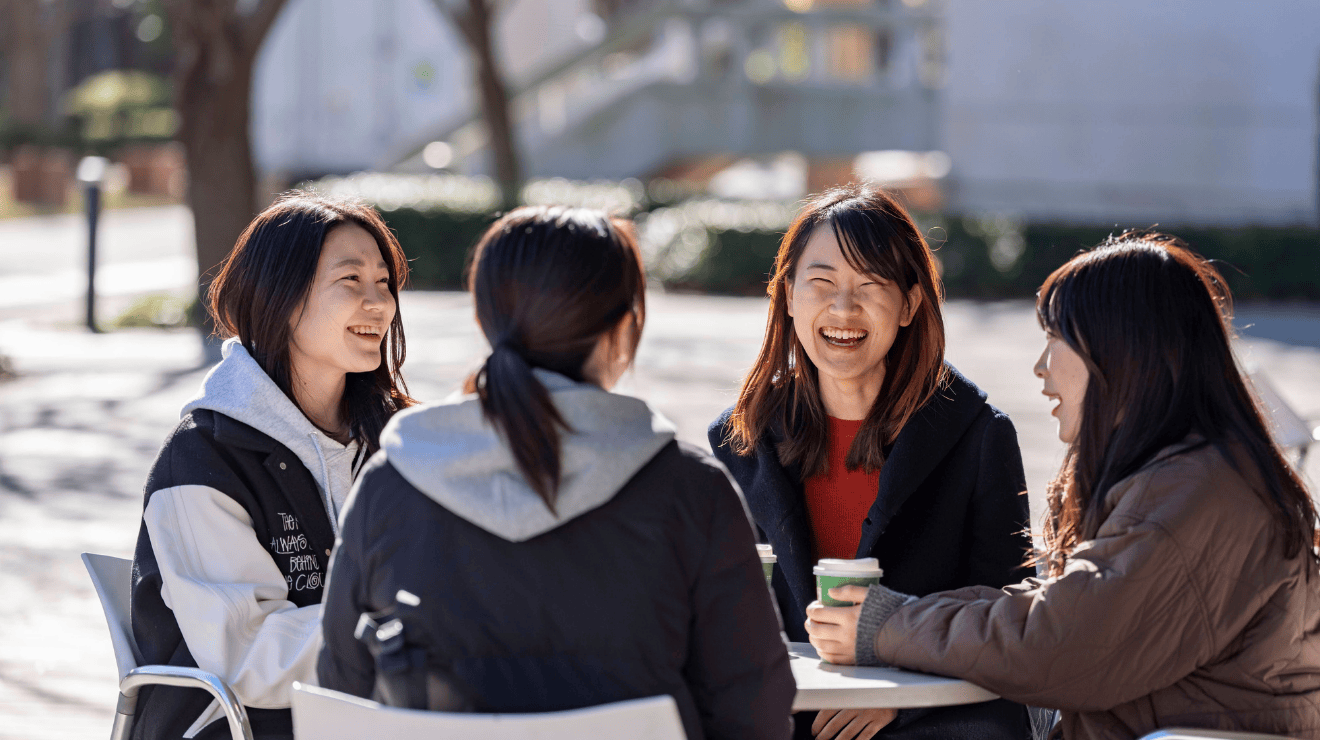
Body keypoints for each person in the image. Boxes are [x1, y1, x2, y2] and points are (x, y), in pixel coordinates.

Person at [806, 233, 1320, 739]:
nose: (1040, 368)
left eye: (1055, 340)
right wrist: (896, 619)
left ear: (1121, 350)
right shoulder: (1178, 476)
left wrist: (889, 628)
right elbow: (1056, 607)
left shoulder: (1198, 495)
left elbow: (1059, 644)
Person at [317, 205, 796, 739]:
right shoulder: (692, 490)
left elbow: (341, 693)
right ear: (624, 326)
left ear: (485, 321)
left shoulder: (391, 484)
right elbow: (756, 708)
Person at [709, 184, 1033, 740]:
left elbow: (1009, 619)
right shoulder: (740, 439)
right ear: (788, 295)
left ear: (909, 304)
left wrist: (901, 700)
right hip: (787, 711)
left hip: (928, 710)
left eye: (870, 285)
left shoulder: (980, 436)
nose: (843, 308)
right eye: (821, 282)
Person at [130, 193, 413, 740]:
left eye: (384, 283)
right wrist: (400, 635)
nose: (378, 303)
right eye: (350, 281)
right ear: (281, 298)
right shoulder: (200, 462)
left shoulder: (397, 441)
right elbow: (249, 658)